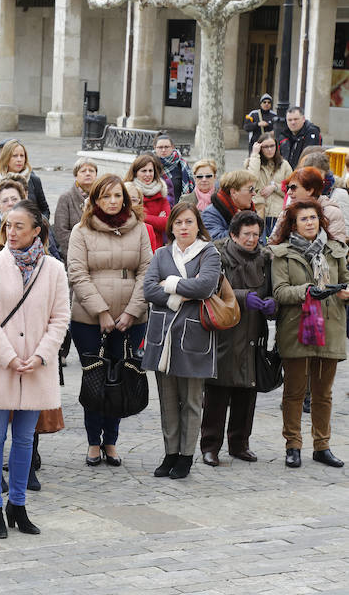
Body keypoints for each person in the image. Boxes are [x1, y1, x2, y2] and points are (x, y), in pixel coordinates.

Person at [0, 199, 69, 539]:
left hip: (37, 366)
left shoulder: (54, 269)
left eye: (19, 227)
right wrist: (8, 357)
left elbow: (60, 318)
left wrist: (41, 355)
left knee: (26, 438)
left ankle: (19, 504)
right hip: (1, 364)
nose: (11, 232)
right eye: (8, 226)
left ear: (36, 231)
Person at [67, 174, 152, 467]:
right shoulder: (81, 231)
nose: (112, 202)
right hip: (89, 318)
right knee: (95, 378)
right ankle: (93, 441)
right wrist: (101, 311)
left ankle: (111, 441)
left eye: (117, 196)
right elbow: (77, 273)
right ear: (95, 200)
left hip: (130, 317)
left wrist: (131, 311)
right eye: (105, 196)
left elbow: (147, 272)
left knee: (120, 377)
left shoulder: (139, 229)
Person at [142, 202, 221, 479]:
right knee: (167, 400)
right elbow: (149, 289)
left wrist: (171, 284)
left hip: (195, 334)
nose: (184, 227)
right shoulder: (162, 254)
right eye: (178, 223)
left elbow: (206, 286)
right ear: (171, 226)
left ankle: (186, 456)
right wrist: (182, 293)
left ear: (198, 224)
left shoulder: (209, 253)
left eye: (189, 222)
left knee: (191, 400)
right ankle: (170, 453)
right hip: (163, 335)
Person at [270, 200, 349, 469]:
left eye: (313, 218)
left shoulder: (335, 250)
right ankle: (293, 445)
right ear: (293, 224)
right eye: (303, 219)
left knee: (323, 393)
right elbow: (279, 291)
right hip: (296, 328)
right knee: (294, 392)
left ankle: (322, 446)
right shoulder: (282, 253)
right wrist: (306, 291)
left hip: (330, 326)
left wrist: (345, 291)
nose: (310, 223)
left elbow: (346, 279)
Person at [200, 211, 272, 467]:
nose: (252, 239)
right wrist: (242, 297)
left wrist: (271, 303)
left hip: (253, 334)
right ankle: (210, 446)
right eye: (247, 234)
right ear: (233, 235)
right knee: (217, 394)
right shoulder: (218, 256)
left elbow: (271, 289)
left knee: (246, 393)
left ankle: (240, 443)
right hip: (225, 333)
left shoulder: (264, 258)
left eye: (256, 234)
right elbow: (211, 289)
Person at [275, 167, 348, 243]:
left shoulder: (332, 213)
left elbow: (337, 249)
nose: (289, 192)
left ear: (310, 190)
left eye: (293, 188)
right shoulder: (287, 212)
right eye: (288, 188)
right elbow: (273, 243)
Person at [0, 139, 47, 219]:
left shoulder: (34, 180)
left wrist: (37, 223)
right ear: (5, 158)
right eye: (14, 156)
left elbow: (44, 210)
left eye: (22, 155)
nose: (19, 159)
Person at [245, 131, 292, 236]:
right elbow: (251, 180)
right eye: (266, 147)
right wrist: (255, 155)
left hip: (278, 213)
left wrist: (275, 187)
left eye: (272, 146)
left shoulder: (284, 165)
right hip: (258, 211)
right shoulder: (253, 162)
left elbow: (292, 188)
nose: (270, 149)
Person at [54, 157, 98, 262]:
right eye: (83, 171)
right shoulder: (66, 198)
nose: (88, 173)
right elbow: (61, 231)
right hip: (74, 255)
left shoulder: (102, 197)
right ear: (76, 175)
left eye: (91, 171)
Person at [125, 154, 170, 248]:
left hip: (156, 247)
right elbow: (127, 217)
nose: (148, 174)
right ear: (135, 173)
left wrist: (139, 215)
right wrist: (156, 218)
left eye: (150, 171)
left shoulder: (161, 194)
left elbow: (167, 223)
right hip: (132, 245)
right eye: (143, 171)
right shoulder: (128, 192)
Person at [201, 169, 259, 241]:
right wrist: (242, 225)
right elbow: (216, 241)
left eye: (254, 190)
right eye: (250, 189)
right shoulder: (210, 213)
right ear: (234, 192)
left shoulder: (251, 213)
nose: (254, 194)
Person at [154, 134, 195, 205]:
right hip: (155, 210)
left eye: (166, 147)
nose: (163, 150)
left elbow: (190, 190)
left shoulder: (182, 165)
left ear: (172, 147)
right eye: (160, 147)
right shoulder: (149, 164)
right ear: (155, 148)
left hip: (177, 209)